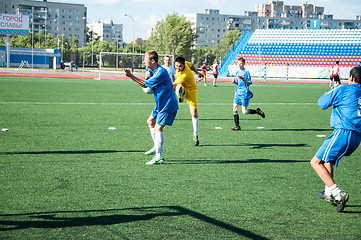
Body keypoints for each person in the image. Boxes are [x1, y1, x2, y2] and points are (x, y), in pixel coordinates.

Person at [310, 66, 361, 212]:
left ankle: (338, 194)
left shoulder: (343, 89)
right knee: (328, 160)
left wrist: (333, 90)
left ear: (351, 78)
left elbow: (322, 104)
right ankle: (328, 192)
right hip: (357, 137)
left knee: (315, 162)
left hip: (344, 132)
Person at [124, 50, 179, 165]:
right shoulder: (151, 70)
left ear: (153, 61)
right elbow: (147, 85)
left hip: (167, 104)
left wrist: (131, 76)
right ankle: (156, 146)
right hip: (160, 103)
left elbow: (144, 85)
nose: (144, 62)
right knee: (150, 122)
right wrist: (146, 76)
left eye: (146, 60)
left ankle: (159, 157)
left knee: (158, 128)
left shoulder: (160, 72)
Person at [173, 56, 203, 146]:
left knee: (194, 114)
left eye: (179, 66)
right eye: (176, 66)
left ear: (183, 65)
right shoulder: (185, 63)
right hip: (182, 86)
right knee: (180, 86)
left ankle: (195, 134)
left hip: (191, 90)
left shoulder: (185, 75)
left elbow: (172, 84)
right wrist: (197, 72)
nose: (177, 68)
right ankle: (181, 94)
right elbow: (191, 65)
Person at [230, 57, 265, 131]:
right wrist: (235, 82)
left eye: (241, 64)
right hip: (237, 93)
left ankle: (257, 111)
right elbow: (239, 84)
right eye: (238, 63)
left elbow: (249, 83)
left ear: (244, 64)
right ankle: (237, 126)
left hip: (244, 94)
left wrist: (243, 79)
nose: (240, 65)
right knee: (234, 108)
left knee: (244, 111)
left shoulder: (246, 72)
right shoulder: (237, 72)